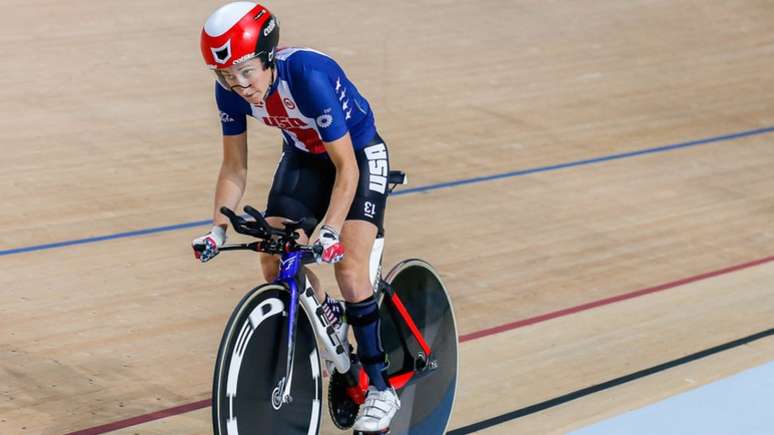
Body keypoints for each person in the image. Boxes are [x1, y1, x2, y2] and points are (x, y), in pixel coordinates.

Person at [191, 2, 399, 433]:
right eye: (227, 76)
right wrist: (216, 229)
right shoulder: (230, 90)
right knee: (273, 259)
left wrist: (329, 230)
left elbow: (347, 169)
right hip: (305, 157)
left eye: (246, 71)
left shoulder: (307, 76)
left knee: (349, 268)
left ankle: (381, 388)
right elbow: (234, 167)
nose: (240, 85)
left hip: (356, 156)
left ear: (267, 56)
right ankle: (328, 316)